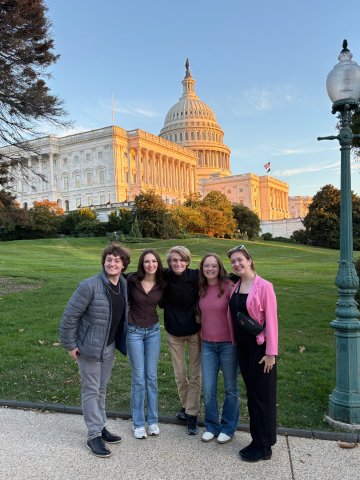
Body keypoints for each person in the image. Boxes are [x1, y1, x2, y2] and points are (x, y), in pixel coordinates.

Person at [60, 243, 130, 458]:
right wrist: (70, 345)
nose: (112, 263)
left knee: (101, 389)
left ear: (123, 265)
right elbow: (69, 317)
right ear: (103, 262)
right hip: (89, 348)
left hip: (108, 347)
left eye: (117, 260)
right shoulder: (89, 286)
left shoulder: (123, 284)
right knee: (91, 390)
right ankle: (93, 436)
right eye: (109, 259)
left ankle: (100, 427)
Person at [227, 245, 278, 463]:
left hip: (260, 351)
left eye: (240, 260)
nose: (237, 264)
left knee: (263, 398)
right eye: (233, 262)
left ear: (249, 260)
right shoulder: (236, 286)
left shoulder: (264, 286)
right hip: (243, 349)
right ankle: (257, 440)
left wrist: (271, 353)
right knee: (253, 396)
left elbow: (272, 322)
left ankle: (265, 446)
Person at [198, 253, 239, 444]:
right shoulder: (201, 288)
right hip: (207, 345)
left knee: (230, 388)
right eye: (207, 266)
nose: (210, 269)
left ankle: (228, 427)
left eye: (214, 266)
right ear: (202, 268)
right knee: (209, 388)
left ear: (220, 267)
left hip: (228, 345)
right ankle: (212, 426)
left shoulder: (230, 287)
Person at [126, 249, 165, 439]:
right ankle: (138, 423)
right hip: (133, 332)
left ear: (158, 264)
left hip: (153, 332)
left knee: (151, 377)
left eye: (154, 261)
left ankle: (153, 421)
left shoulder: (162, 284)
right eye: (147, 261)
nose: (151, 264)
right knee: (139, 377)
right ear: (142, 264)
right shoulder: (131, 280)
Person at [162, 246, 201, 435]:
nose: (178, 263)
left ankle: (192, 415)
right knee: (180, 374)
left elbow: (220, 277)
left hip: (195, 332)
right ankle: (187, 406)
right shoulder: (164, 276)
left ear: (187, 261)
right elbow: (139, 275)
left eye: (182, 260)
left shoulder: (195, 276)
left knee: (195, 375)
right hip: (174, 333)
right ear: (169, 263)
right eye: (174, 260)